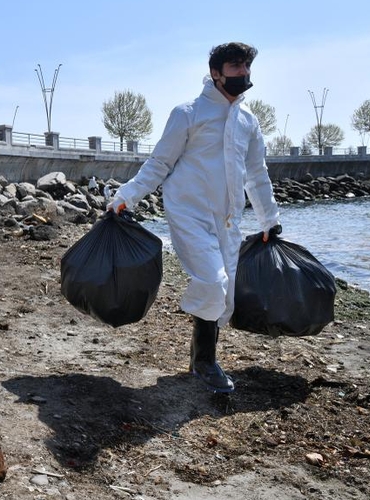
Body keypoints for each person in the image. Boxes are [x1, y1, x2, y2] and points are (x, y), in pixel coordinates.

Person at [107, 42, 281, 393]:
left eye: (246, 67)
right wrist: (126, 197)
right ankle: (205, 363)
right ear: (216, 73)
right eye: (235, 67)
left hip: (229, 218)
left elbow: (256, 174)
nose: (243, 74)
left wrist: (269, 220)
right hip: (188, 212)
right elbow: (160, 163)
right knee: (213, 281)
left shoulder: (248, 122)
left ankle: (200, 357)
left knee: (225, 292)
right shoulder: (188, 113)